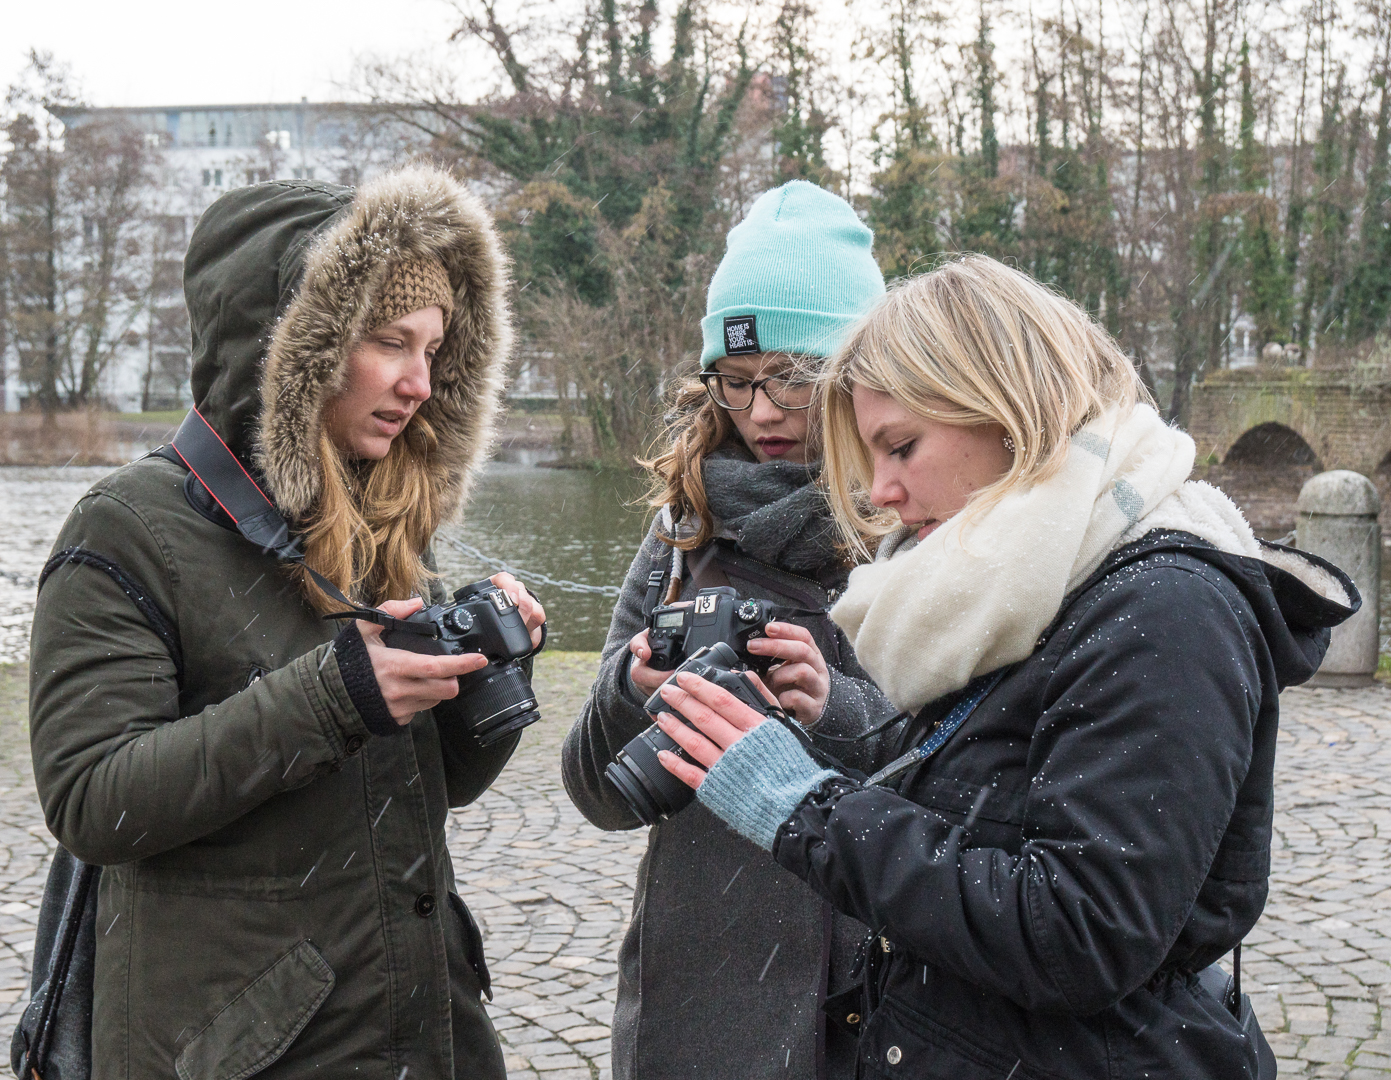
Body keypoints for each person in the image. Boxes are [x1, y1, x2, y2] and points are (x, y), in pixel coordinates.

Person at [648, 255, 1358, 1079]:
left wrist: (797, 804)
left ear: (1007, 411)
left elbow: (1079, 935)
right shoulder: (1041, 584)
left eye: (900, 447)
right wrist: (836, 733)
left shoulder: (1165, 607)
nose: (879, 492)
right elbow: (992, 798)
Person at [26, 165, 544, 1079]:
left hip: (419, 1033)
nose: (420, 382)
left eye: (434, 349)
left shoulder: (373, 522)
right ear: (291, 349)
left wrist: (484, 682)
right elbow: (93, 800)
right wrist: (339, 692)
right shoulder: (128, 527)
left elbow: (423, 787)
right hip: (241, 1047)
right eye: (390, 341)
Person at [561, 180, 901, 1080]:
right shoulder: (683, 526)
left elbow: (976, 773)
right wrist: (633, 697)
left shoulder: (923, 521)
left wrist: (831, 709)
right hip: (702, 986)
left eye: (793, 376)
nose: (761, 413)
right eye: (739, 380)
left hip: (884, 974)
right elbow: (594, 791)